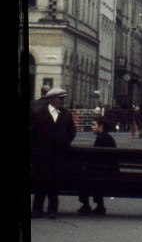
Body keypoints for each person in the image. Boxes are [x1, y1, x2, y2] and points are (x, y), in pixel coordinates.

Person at [31, 87, 77, 218]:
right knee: (40, 183)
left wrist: (64, 143)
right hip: (42, 154)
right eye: (60, 98)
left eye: (63, 99)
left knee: (54, 184)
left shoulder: (66, 114)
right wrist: (36, 148)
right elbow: (32, 132)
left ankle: (52, 210)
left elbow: (72, 132)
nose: (62, 101)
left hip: (58, 155)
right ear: (52, 99)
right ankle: (36, 210)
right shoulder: (38, 113)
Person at [77, 115, 117, 215]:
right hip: (109, 170)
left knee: (84, 178)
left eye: (94, 125)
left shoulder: (101, 139)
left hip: (103, 172)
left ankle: (86, 205)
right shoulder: (107, 137)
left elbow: (96, 159)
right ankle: (99, 205)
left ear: (101, 126)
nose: (92, 127)